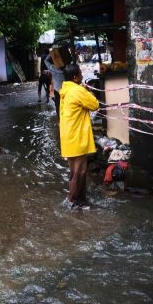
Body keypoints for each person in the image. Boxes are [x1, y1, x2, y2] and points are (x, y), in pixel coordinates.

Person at [59, 64, 99, 210]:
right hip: (78, 137)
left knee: (74, 171)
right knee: (80, 171)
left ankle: (81, 200)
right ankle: (72, 201)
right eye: (80, 74)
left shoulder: (65, 90)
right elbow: (95, 105)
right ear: (75, 77)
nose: (82, 76)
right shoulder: (77, 90)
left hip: (68, 137)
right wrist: (89, 92)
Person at [44, 52, 65, 116]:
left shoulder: (52, 68)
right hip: (66, 90)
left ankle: (59, 119)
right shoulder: (67, 68)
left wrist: (52, 52)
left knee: (58, 105)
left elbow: (45, 60)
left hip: (57, 90)